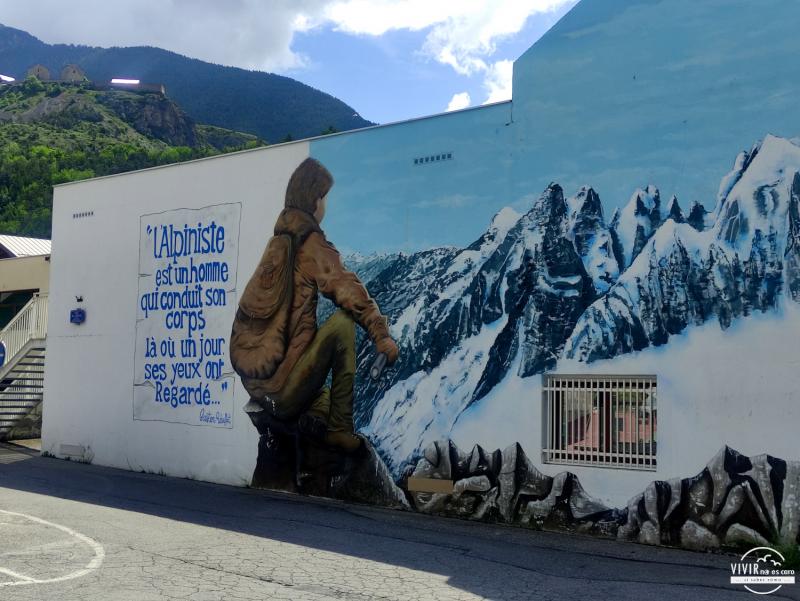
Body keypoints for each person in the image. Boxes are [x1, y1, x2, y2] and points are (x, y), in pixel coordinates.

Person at [231, 157, 399, 452]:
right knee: (343, 325)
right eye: (325, 198)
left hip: (258, 385)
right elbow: (347, 288)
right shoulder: (309, 244)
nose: (326, 206)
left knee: (319, 399)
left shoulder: (278, 243)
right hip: (280, 390)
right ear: (315, 199)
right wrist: (381, 335)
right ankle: (339, 429)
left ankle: (311, 437)